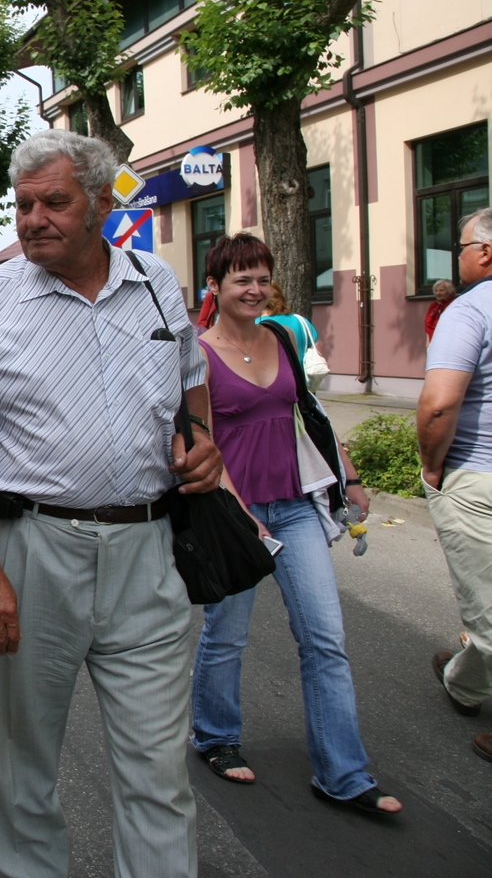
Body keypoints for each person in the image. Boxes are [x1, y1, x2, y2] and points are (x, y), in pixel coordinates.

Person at [0, 129, 223, 878]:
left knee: (158, 770)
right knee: (19, 762)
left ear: (100, 206)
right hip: (32, 552)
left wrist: (201, 439)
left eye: (54, 202)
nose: (34, 219)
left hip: (150, 555)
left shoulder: (154, 283)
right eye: (23, 205)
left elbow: (190, 379)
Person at [190, 233, 399, 815]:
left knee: (324, 639)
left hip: (296, 505)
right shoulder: (197, 353)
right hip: (236, 515)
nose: (255, 290)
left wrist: (348, 478)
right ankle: (214, 735)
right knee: (226, 635)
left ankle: (344, 774)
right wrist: (239, 514)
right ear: (215, 287)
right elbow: (199, 440)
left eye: (262, 278)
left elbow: (311, 414)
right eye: (241, 280)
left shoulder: (282, 337)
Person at [419, 208, 492, 764]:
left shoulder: (469, 311)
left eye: (462, 245)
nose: (458, 255)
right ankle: (466, 682)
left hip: (477, 473)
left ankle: (470, 667)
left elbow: (441, 403)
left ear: (484, 253)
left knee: (486, 610)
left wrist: (431, 467)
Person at [426, 278, 457, 347]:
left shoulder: (454, 305)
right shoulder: (434, 306)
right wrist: (428, 345)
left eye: (441, 290)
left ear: (450, 291)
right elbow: (428, 327)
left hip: (448, 343)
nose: (438, 293)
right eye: (436, 291)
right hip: (432, 343)